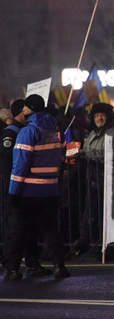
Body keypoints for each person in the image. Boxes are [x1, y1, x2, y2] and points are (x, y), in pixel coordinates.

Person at [4, 94, 69, 280]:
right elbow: (62, 155)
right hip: (50, 189)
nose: (23, 110)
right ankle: (59, 266)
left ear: (30, 109)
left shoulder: (28, 132)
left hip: (28, 190)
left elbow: (20, 165)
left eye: (25, 107)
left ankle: (12, 270)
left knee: (18, 230)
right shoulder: (56, 130)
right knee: (50, 230)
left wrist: (13, 192)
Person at [1, 99, 49, 276]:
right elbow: (9, 164)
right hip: (15, 186)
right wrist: (14, 186)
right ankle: (11, 266)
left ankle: (32, 263)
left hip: (26, 187)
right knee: (16, 228)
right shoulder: (11, 132)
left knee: (30, 227)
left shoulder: (27, 130)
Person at [73, 102, 114, 255]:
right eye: (96, 115)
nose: (99, 118)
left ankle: (105, 245)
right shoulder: (93, 133)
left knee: (103, 211)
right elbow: (88, 148)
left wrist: (87, 154)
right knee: (90, 209)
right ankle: (88, 241)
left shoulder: (113, 133)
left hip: (105, 177)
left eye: (102, 115)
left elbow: (106, 151)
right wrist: (79, 153)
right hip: (92, 177)